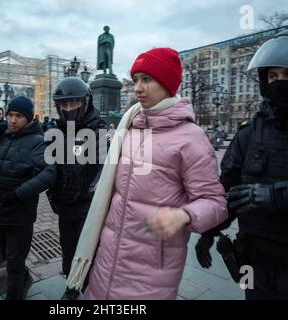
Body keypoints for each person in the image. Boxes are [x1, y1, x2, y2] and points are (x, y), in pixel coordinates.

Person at [66, 48, 227, 299]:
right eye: (136, 79)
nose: (138, 88)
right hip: (107, 258)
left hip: (150, 270)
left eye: (147, 79)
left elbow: (216, 202)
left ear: (167, 83)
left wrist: (184, 215)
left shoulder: (191, 138)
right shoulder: (130, 127)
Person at [195, 27, 288, 300]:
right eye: (273, 75)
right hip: (258, 267)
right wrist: (209, 231)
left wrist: (277, 196)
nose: (279, 82)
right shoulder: (251, 132)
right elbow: (228, 188)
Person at [0, 96, 57, 300]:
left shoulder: (37, 142)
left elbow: (50, 172)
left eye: (18, 116)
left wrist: (20, 193)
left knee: (14, 265)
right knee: (6, 257)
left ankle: (15, 293)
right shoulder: (5, 136)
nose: (12, 120)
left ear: (28, 118)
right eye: (10, 115)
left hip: (20, 216)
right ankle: (25, 277)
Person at [47, 77, 108, 300]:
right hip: (64, 205)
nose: (69, 108)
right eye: (64, 104)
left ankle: (87, 290)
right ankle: (72, 285)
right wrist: (52, 192)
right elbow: (49, 165)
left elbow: (104, 167)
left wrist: (91, 194)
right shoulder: (57, 129)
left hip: (87, 206)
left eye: (73, 103)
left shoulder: (97, 127)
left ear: (85, 102)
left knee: (88, 252)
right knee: (68, 248)